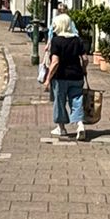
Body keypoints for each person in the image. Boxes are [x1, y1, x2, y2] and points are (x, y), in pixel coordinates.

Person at [45, 11, 90, 140]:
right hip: (76, 76)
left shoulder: (56, 41)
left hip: (60, 77)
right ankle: (80, 125)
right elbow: (85, 59)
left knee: (59, 102)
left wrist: (48, 79)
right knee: (77, 101)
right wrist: (83, 69)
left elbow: (55, 62)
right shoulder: (77, 40)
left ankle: (62, 128)